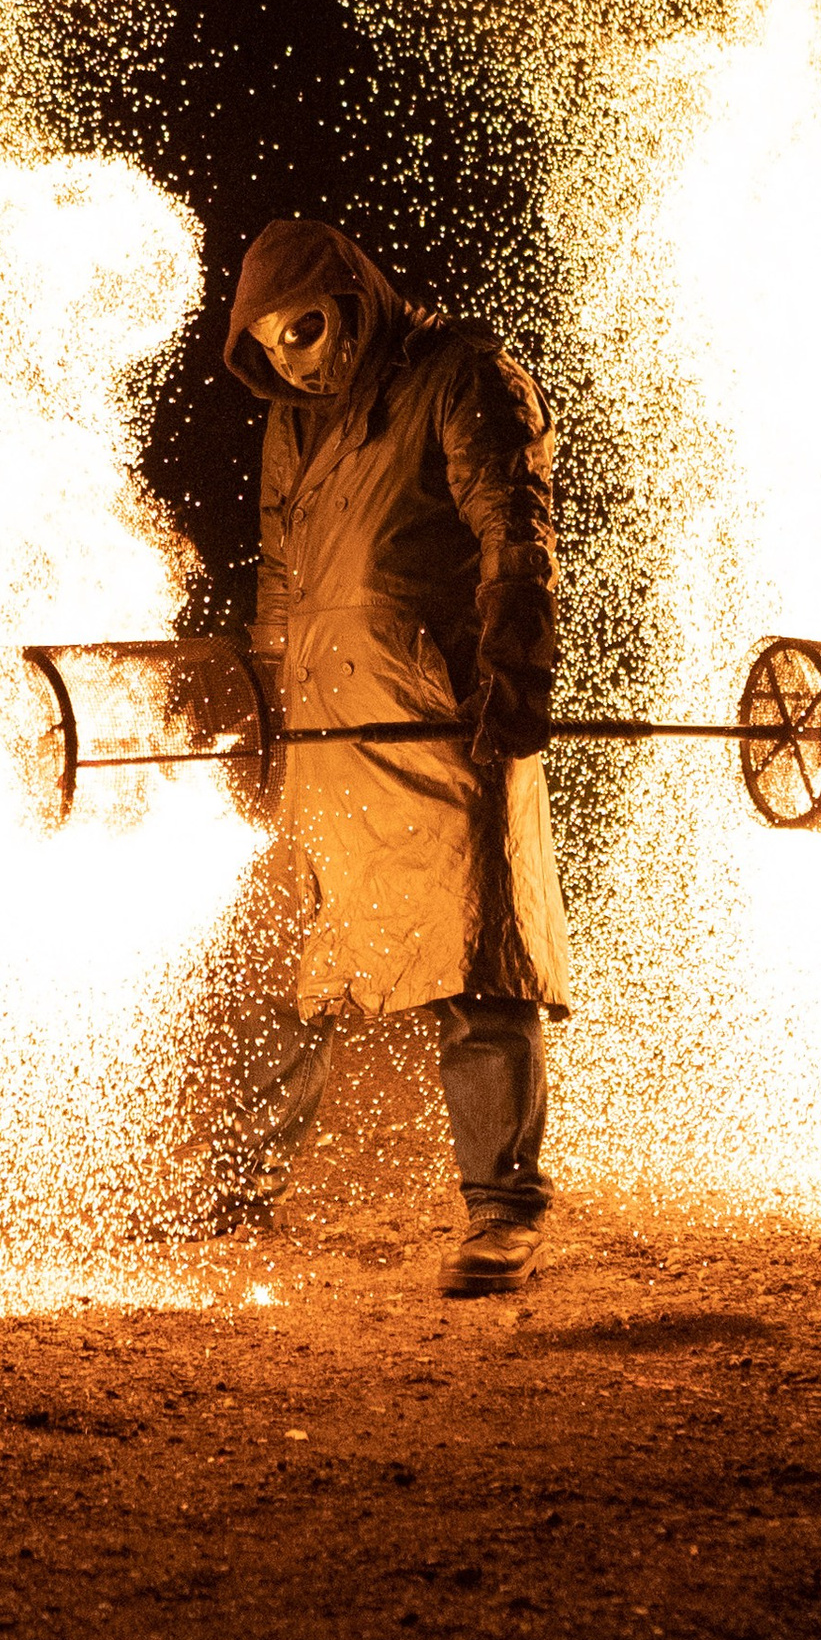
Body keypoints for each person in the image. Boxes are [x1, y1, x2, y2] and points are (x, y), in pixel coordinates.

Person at [208, 213, 570, 1298]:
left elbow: (515, 528)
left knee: (477, 965)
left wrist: (514, 674)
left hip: (438, 722)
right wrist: (261, 706)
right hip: (321, 733)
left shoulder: (464, 374)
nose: (289, 356)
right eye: (267, 343)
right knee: (277, 958)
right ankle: (236, 1187)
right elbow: (280, 573)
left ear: (356, 303)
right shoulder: (291, 423)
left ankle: (502, 1213)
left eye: (305, 329)